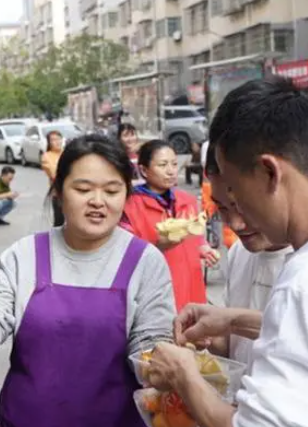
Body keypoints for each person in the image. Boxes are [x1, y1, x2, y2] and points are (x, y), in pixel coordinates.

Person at [0, 134, 177, 427]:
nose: (97, 202)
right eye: (83, 188)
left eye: (112, 190)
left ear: (127, 195)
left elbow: (150, 344)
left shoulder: (146, 261)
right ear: (58, 191)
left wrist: (173, 370)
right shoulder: (25, 254)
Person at [148, 77, 308, 427]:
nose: (237, 219)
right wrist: (234, 322)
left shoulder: (299, 279)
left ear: (269, 172)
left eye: (235, 192)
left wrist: (183, 375)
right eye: (222, 206)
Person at [204, 141, 292, 371]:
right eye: (222, 208)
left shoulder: (299, 264)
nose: (235, 223)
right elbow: (233, 347)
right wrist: (208, 337)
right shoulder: (239, 252)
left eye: (241, 205)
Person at [121, 140, 219, 311]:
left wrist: (203, 248)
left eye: (174, 164)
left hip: (191, 287)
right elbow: (126, 255)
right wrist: (158, 246)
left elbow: (197, 238)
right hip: (157, 292)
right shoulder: (131, 206)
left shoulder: (186, 200)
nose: (171, 171)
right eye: (162, 165)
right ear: (144, 170)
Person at [41, 130, 64, 226]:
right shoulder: (46, 156)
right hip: (58, 193)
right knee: (59, 221)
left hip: (73, 192)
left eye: (58, 139)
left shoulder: (67, 152)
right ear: (49, 143)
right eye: (53, 140)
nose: (57, 141)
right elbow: (54, 173)